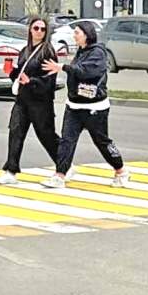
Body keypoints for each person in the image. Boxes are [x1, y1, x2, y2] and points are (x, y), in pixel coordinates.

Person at [49, 20, 130, 190]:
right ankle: (60, 175)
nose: (74, 36)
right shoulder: (81, 51)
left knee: (101, 141)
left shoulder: (98, 53)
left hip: (95, 107)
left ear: (87, 35)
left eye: (77, 33)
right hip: (74, 105)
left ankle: (121, 170)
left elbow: (86, 72)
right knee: (67, 141)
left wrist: (63, 67)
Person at [0, 16, 63, 184]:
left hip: (41, 102)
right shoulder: (25, 50)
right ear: (30, 30)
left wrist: (32, 81)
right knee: (16, 132)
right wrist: (12, 72)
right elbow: (21, 74)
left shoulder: (47, 52)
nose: (39, 32)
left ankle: (64, 165)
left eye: (43, 29)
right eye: (36, 28)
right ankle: (10, 171)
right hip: (22, 99)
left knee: (46, 135)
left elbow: (50, 80)